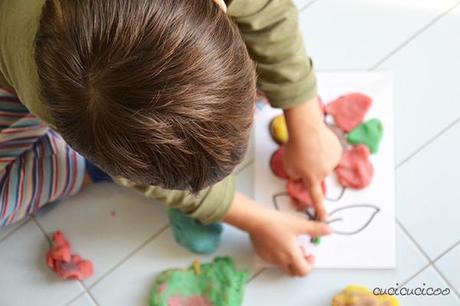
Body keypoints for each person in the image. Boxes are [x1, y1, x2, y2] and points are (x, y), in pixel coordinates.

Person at [0, 0, 342, 276]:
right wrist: (254, 217)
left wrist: (305, 117)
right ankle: (87, 169)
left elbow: (267, 10)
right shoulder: (51, 90)